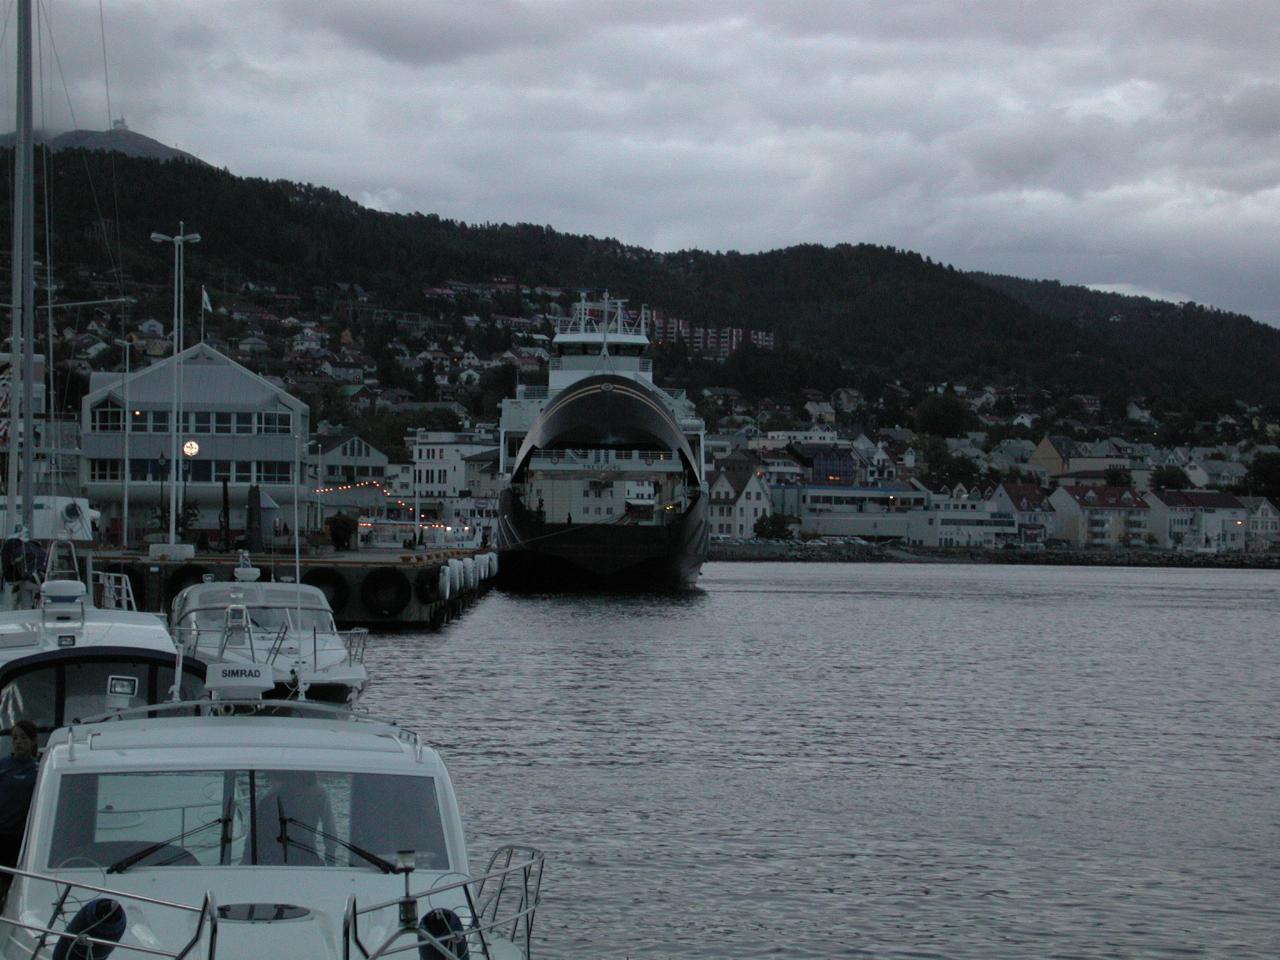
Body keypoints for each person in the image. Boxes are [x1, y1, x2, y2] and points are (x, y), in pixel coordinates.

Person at [253, 770, 337, 865]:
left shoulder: (271, 794)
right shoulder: (320, 793)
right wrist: (331, 860)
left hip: (280, 857)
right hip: (303, 855)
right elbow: (330, 830)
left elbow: (256, 833)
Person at [0, 721, 39, 898]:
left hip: (24, 837)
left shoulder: (39, 769)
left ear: (32, 741)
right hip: (2, 834)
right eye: (15, 738)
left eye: (23, 737)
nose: (18, 742)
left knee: (16, 883)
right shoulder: (3, 766)